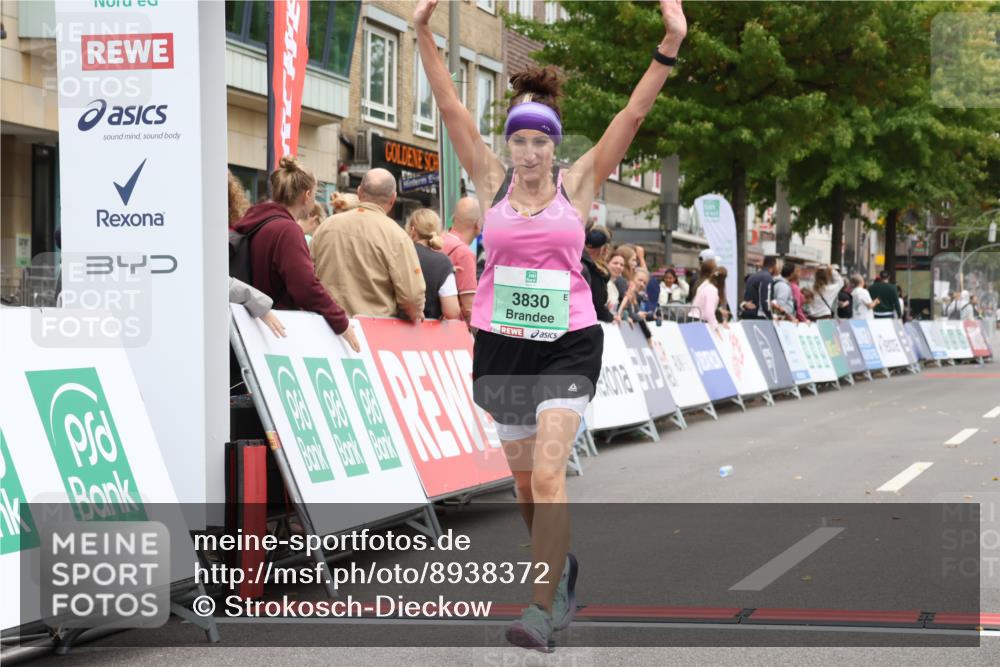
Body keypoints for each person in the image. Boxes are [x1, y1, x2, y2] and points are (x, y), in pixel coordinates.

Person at [416, 0, 686, 650]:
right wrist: (421, 31)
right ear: (509, 142)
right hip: (505, 347)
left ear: (553, 143)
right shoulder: (491, 179)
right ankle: (559, 569)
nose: (530, 150)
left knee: (547, 474)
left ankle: (540, 608)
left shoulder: (580, 181)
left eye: (541, 140)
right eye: (520, 140)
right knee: (524, 488)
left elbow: (634, 113)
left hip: (568, 341)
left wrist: (670, 40)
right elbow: (452, 107)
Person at [232, 156, 359, 351]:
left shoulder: (255, 220)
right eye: (315, 195)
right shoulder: (288, 230)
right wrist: (341, 322)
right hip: (275, 333)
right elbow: (305, 286)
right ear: (307, 196)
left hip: (248, 327)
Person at [310, 168, 426, 321]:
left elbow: (307, 275)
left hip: (326, 326)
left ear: (359, 192)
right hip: (374, 332)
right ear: (393, 198)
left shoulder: (326, 226)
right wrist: (415, 315)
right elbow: (412, 297)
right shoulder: (397, 236)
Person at [406, 208, 460, 320]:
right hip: (426, 331)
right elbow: (452, 311)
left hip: (391, 327)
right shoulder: (443, 263)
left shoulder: (400, 253)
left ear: (412, 230)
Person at [443, 197, 482, 323]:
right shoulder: (464, 254)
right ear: (477, 224)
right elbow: (469, 308)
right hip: (453, 331)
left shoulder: (438, 240)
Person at [582, 226, 614, 323]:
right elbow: (596, 303)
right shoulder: (592, 269)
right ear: (602, 249)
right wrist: (610, 317)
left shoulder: (579, 262)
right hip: (586, 323)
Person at [606, 250, 630, 315]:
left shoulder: (614, 286)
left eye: (621, 265)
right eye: (615, 263)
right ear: (607, 263)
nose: (618, 266)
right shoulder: (603, 283)